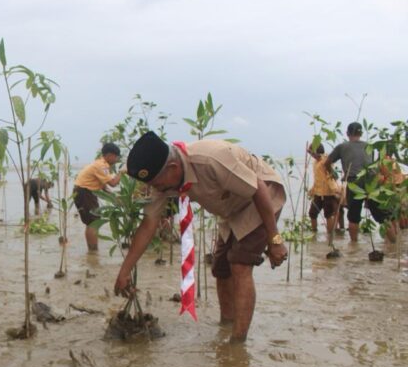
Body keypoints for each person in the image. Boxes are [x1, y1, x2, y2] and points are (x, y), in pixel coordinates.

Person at [115, 132, 288, 343]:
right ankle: (226, 324)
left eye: (157, 184)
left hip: (262, 198)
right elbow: (148, 225)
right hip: (231, 211)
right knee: (221, 269)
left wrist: (274, 239)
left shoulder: (211, 160)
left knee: (240, 265)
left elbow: (258, 188)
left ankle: (236, 345)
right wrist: (124, 271)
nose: (155, 189)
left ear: (173, 168)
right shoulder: (162, 181)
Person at [325, 122, 372, 242]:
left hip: (354, 182)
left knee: (353, 218)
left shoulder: (342, 146)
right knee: (384, 217)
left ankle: (354, 246)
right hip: (371, 183)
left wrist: (333, 173)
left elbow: (327, 162)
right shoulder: (369, 146)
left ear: (347, 133)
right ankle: (392, 246)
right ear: (361, 133)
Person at [73, 142, 124, 251]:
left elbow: (103, 186)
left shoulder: (101, 164)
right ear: (109, 155)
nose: (116, 160)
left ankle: (92, 250)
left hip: (85, 192)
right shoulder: (101, 165)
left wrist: (114, 197)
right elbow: (113, 183)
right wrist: (122, 171)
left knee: (92, 221)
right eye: (116, 157)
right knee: (93, 222)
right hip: (84, 192)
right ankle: (93, 251)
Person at [306, 142, 341, 241]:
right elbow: (318, 179)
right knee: (312, 213)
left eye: (312, 153)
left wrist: (335, 191)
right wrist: (312, 190)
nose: (311, 155)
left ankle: (330, 236)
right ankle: (314, 233)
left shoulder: (326, 160)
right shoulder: (315, 163)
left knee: (328, 214)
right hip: (318, 193)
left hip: (328, 193)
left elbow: (332, 177)